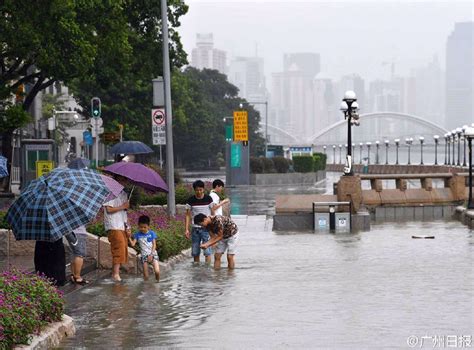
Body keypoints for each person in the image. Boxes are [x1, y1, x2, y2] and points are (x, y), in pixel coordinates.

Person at [104, 187, 129, 282]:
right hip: (113, 225)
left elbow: (124, 213)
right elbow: (109, 209)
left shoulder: (124, 194)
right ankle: (115, 274)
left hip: (121, 225)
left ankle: (116, 272)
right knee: (119, 248)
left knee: (123, 249)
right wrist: (123, 206)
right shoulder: (110, 193)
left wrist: (128, 226)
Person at [185, 180, 214, 263]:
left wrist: (212, 227)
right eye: (197, 190)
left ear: (203, 189)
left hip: (207, 228)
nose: (199, 192)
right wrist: (186, 229)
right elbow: (187, 215)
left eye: (201, 190)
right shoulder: (190, 200)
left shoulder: (208, 199)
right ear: (194, 190)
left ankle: (207, 270)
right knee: (195, 251)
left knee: (207, 251)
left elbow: (212, 213)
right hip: (195, 229)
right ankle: (197, 270)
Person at [128, 215, 160, 281]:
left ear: (148, 226)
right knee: (146, 276)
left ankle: (157, 283)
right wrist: (129, 237)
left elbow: (154, 245)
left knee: (157, 271)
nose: (142, 229)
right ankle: (146, 289)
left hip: (153, 254)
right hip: (144, 256)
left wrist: (151, 254)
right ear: (138, 226)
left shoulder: (151, 233)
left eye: (144, 227)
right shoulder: (137, 234)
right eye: (141, 227)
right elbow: (133, 244)